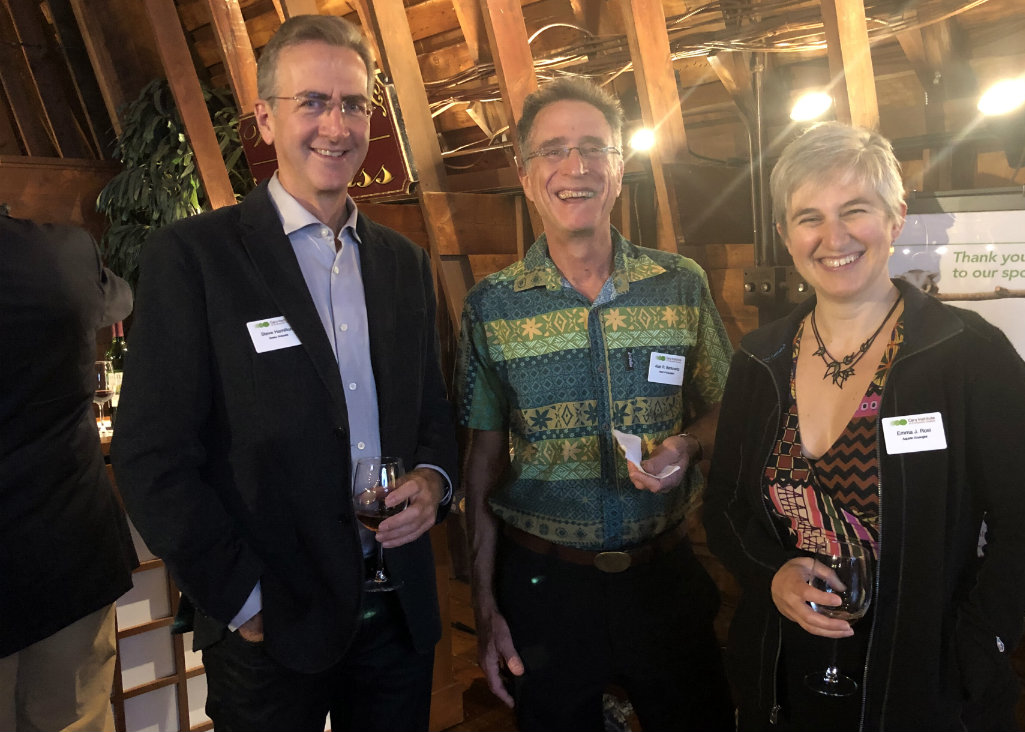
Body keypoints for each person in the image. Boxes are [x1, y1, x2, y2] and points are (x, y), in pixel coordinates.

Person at [111, 15, 457, 732]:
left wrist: (433, 481)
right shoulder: (195, 257)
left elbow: (432, 412)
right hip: (273, 616)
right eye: (313, 102)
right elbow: (151, 458)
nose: (337, 124)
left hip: (396, 609)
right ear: (265, 120)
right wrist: (244, 601)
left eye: (354, 104)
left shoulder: (402, 261)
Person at [703, 122, 1025, 731]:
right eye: (808, 216)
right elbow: (726, 507)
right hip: (788, 676)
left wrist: (977, 644)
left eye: (855, 210)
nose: (833, 236)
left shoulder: (969, 354)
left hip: (923, 682)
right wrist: (773, 575)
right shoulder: (760, 359)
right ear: (785, 234)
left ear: (896, 217)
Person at [455, 77, 736, 732]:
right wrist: (486, 608)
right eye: (553, 151)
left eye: (593, 149)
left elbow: (730, 408)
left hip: (663, 580)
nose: (574, 167)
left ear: (619, 168)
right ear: (526, 175)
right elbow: (481, 463)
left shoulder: (679, 285)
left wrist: (688, 443)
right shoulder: (491, 305)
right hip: (544, 591)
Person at [0, 210, 137, 732]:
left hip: (65, 552)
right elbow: (120, 298)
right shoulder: (63, 253)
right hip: (68, 547)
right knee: (75, 720)